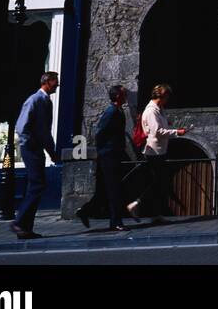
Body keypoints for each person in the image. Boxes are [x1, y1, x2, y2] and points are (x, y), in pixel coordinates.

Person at [10, 71, 60, 240]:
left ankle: (25, 229)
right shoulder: (35, 100)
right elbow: (21, 126)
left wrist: (51, 152)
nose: (58, 84)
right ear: (48, 81)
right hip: (31, 149)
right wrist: (30, 145)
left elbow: (45, 131)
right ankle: (19, 222)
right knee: (37, 185)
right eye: (56, 81)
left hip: (37, 149)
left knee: (36, 185)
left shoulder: (46, 101)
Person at [77, 85, 132, 231]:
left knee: (104, 190)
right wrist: (101, 152)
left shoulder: (118, 111)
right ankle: (116, 222)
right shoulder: (111, 111)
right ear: (118, 96)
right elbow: (100, 132)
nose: (126, 95)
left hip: (114, 154)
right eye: (124, 93)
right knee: (114, 189)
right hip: (109, 155)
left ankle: (85, 211)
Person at [129, 84, 185, 224]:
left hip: (160, 151)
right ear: (161, 96)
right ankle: (137, 204)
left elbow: (160, 127)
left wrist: (168, 124)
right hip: (153, 152)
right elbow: (157, 132)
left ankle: (155, 214)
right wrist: (176, 133)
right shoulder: (151, 111)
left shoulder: (159, 110)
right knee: (157, 182)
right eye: (166, 97)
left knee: (159, 183)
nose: (167, 100)